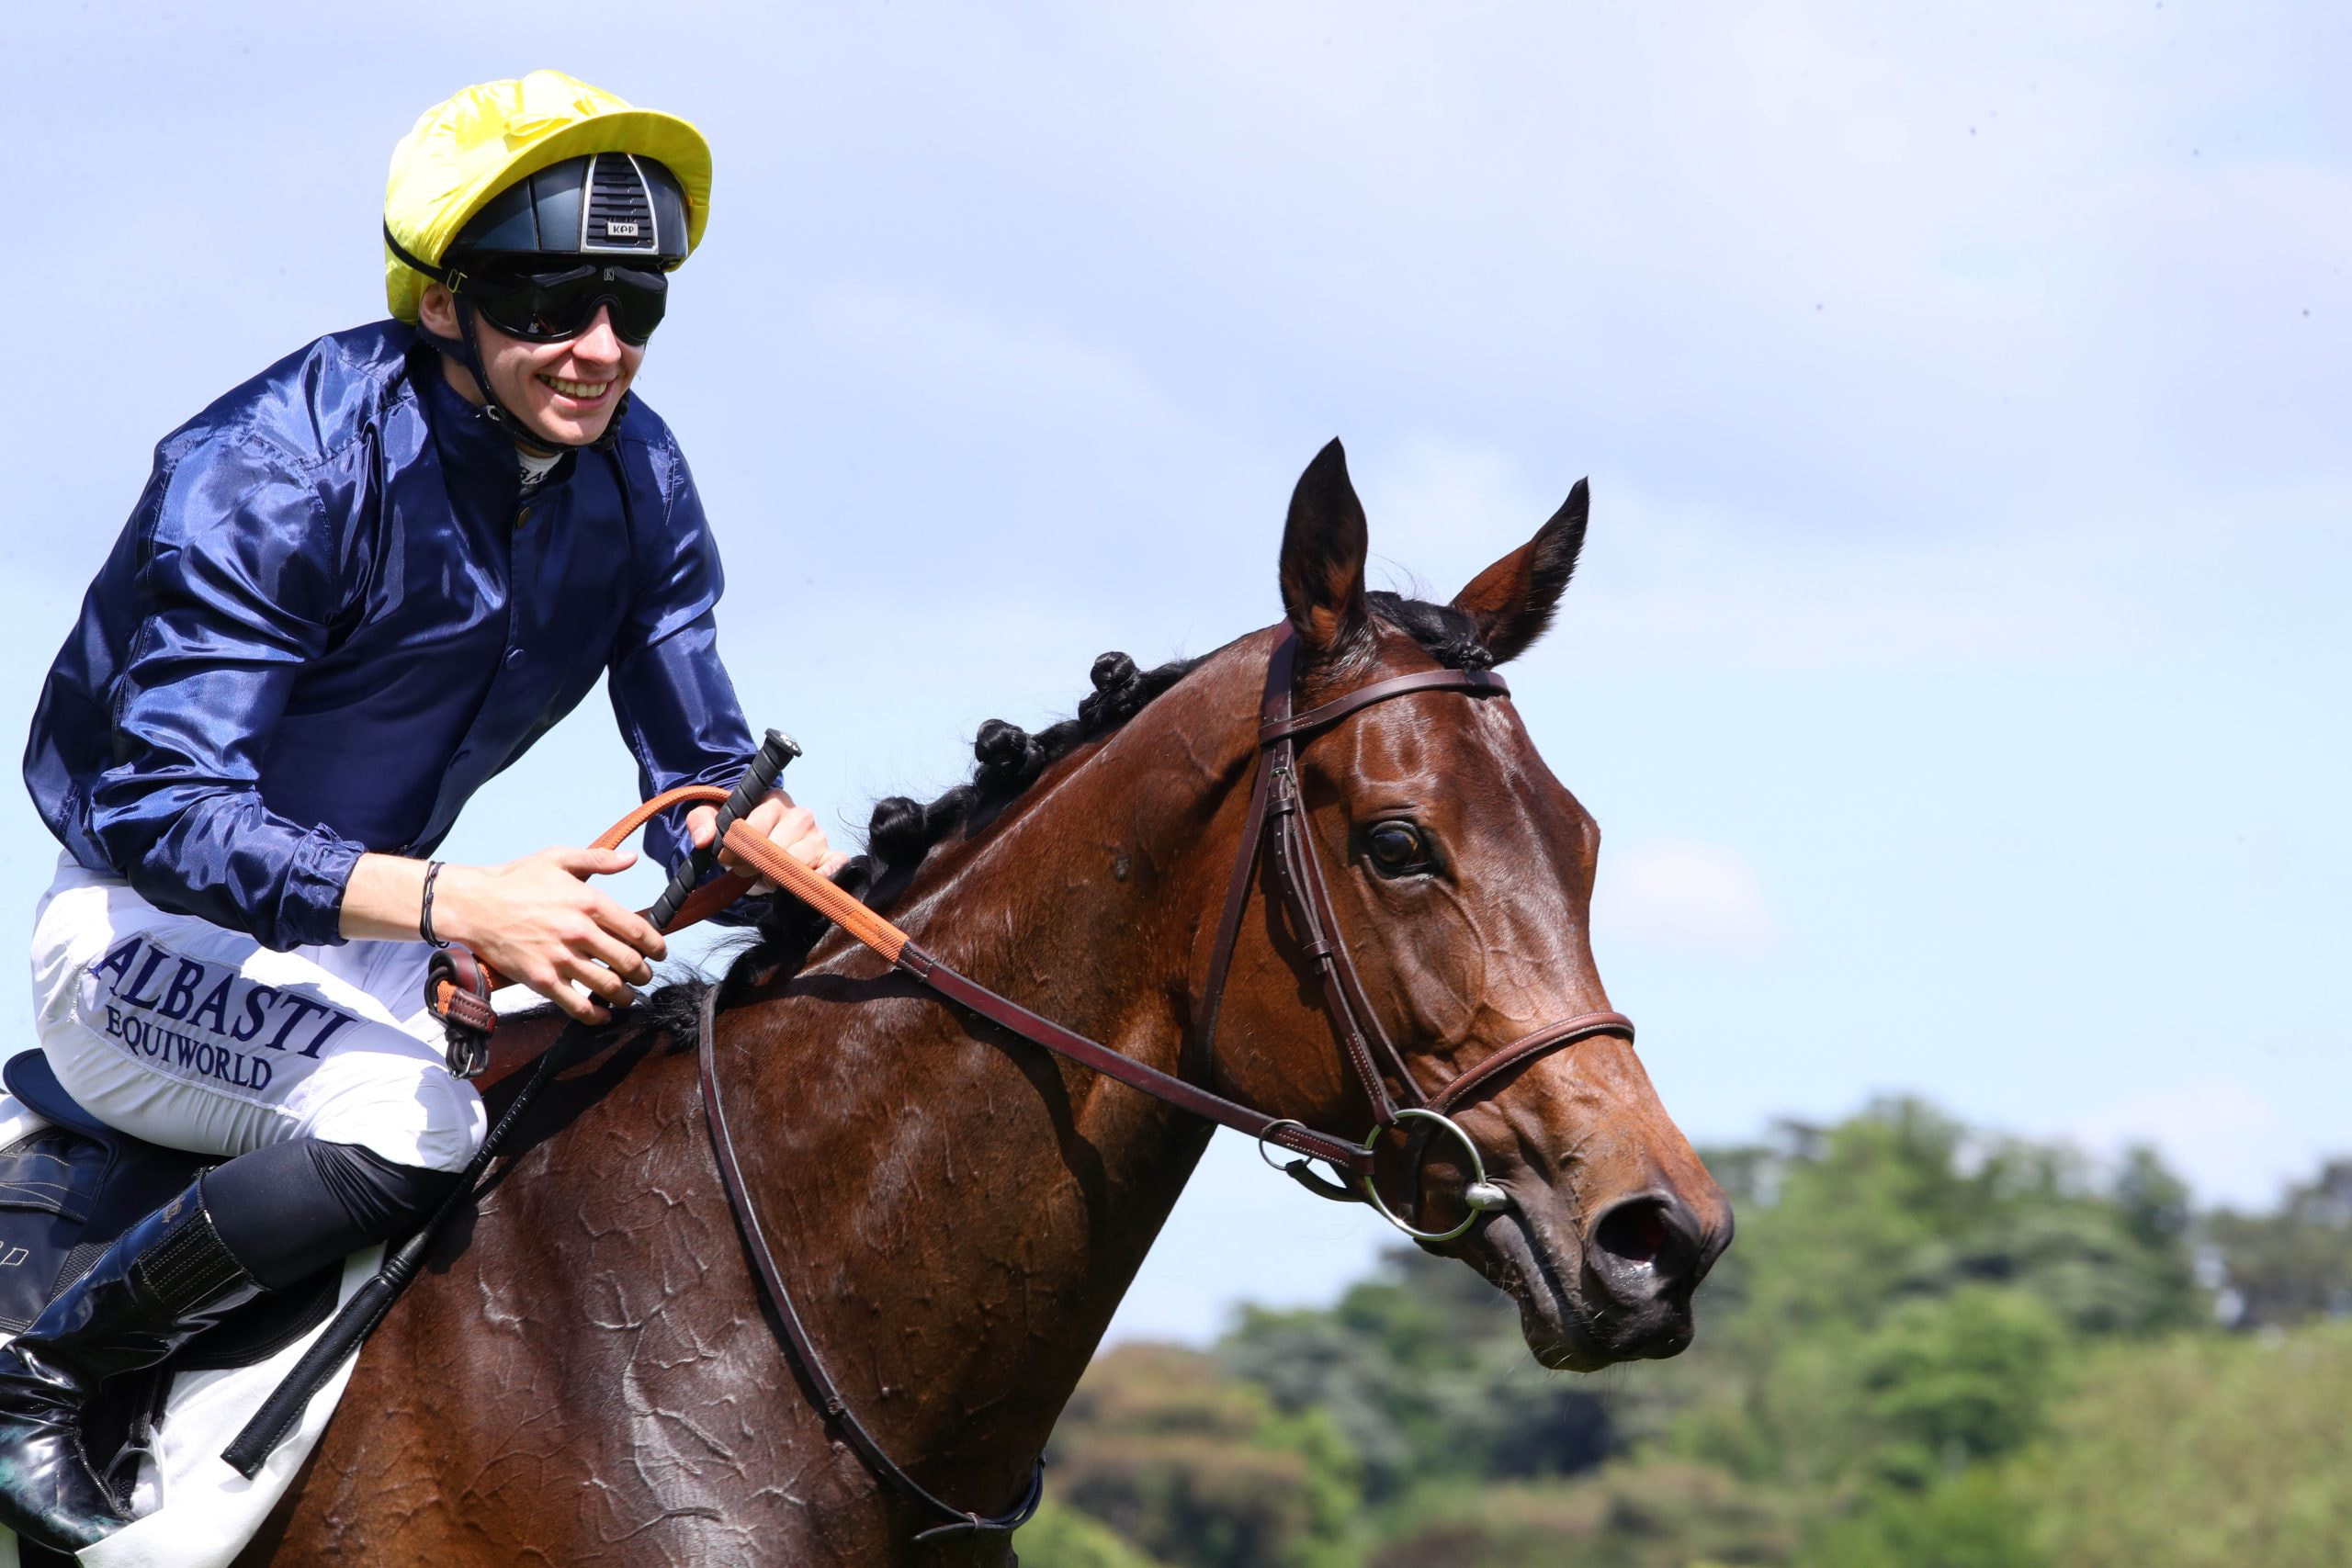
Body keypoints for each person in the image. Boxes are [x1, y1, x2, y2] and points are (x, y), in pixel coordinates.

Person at [0, 71, 840, 1551]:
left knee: (623, 1071)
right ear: (442, 301)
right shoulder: (278, 465)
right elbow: (160, 809)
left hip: (365, 932)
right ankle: (47, 1365)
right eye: (546, 301)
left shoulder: (636, 469)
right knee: (416, 1116)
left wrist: (761, 843)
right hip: (140, 936)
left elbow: (695, 770)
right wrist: (461, 903)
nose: (597, 350)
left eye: (633, 307)